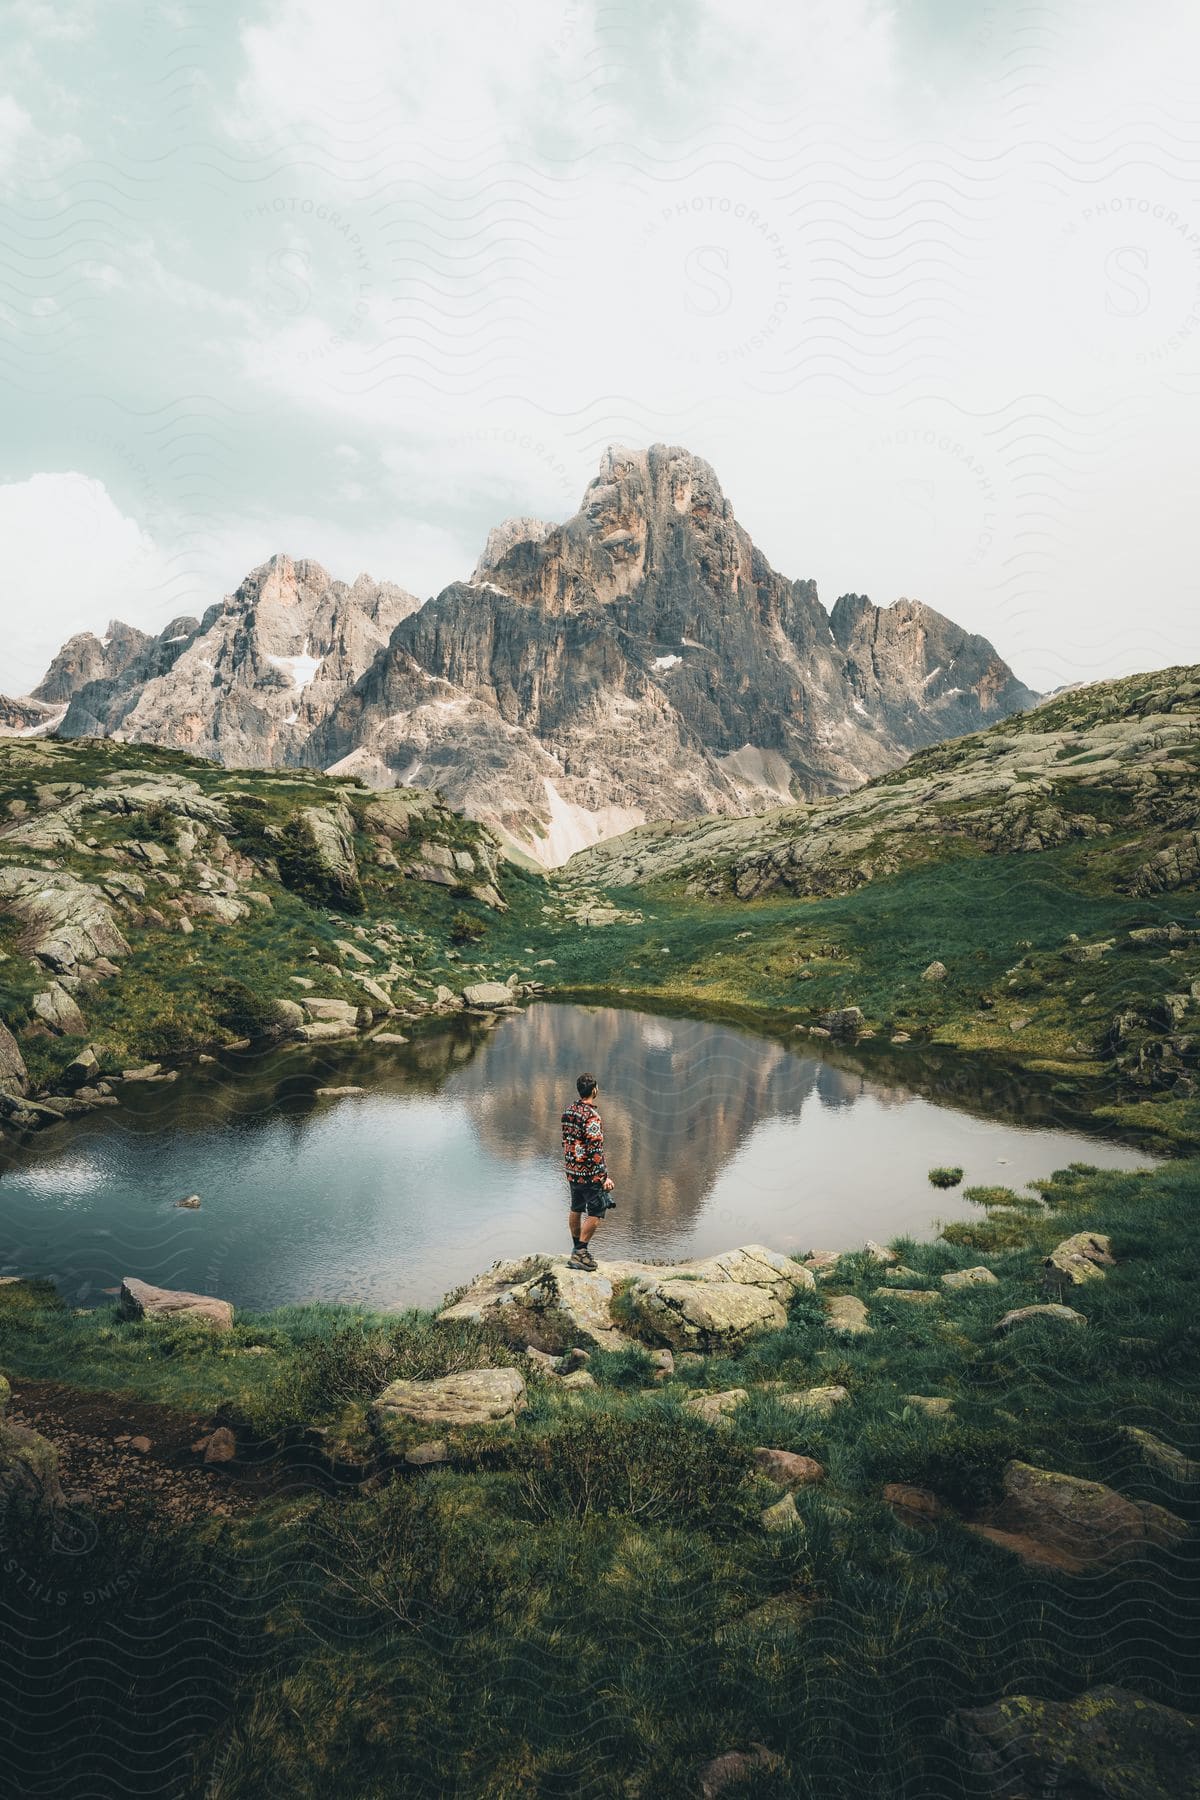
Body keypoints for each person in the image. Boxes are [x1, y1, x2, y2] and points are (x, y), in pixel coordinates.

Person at [561, 1071, 614, 1271]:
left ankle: (576, 1249)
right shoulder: (592, 1117)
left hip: (572, 1170)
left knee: (576, 1208)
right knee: (597, 1211)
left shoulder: (569, 1111)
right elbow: (595, 1150)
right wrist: (603, 1178)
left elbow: (566, 1140)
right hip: (589, 1173)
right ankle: (581, 1252)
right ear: (594, 1090)